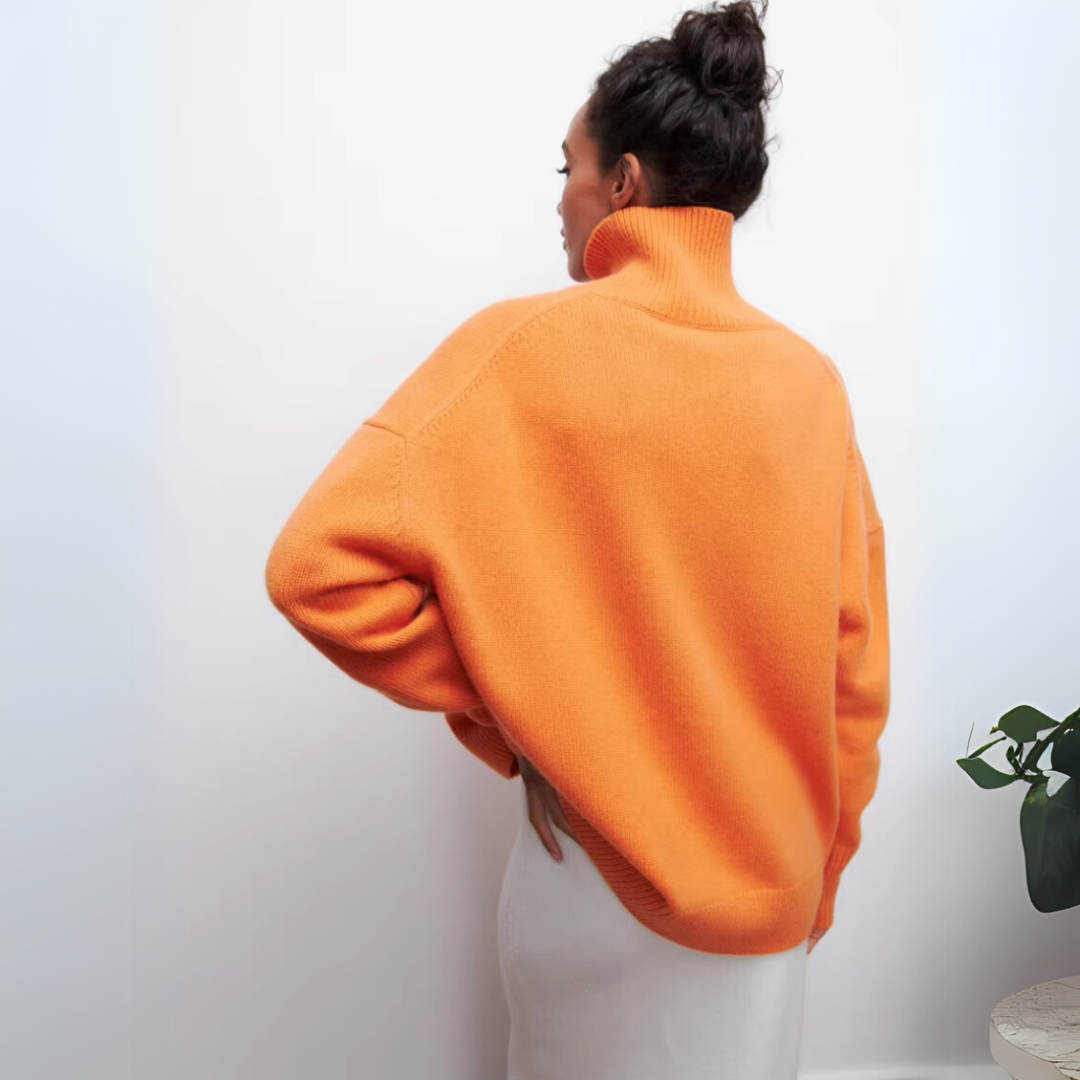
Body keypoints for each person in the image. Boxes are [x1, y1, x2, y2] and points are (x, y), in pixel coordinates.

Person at [264, 1, 890, 1076]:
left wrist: (525, 715)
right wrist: (815, 883)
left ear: (626, 183)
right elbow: (854, 672)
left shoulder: (523, 346)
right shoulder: (810, 385)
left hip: (594, 889)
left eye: (569, 168)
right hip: (771, 910)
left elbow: (317, 571)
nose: (560, 198)